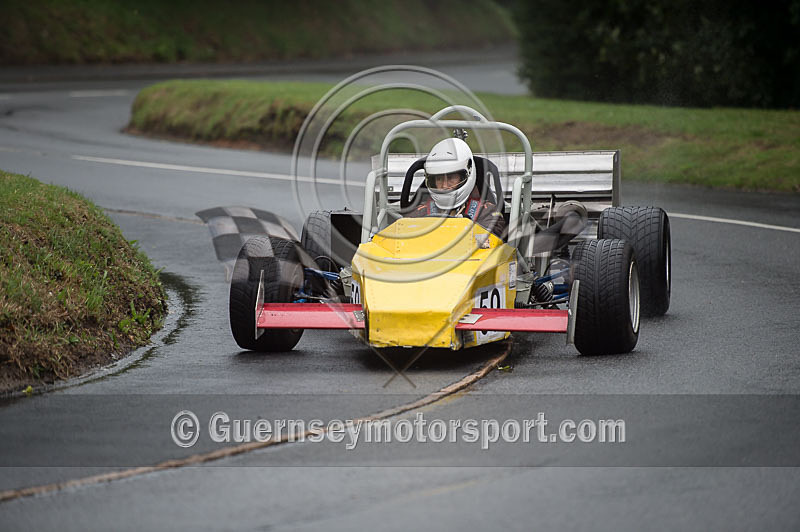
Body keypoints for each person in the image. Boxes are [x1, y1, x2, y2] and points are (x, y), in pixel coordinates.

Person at [407, 137, 505, 238]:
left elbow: (492, 243)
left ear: (467, 175)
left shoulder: (487, 212)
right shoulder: (418, 213)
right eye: (439, 179)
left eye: (450, 178)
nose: (444, 185)